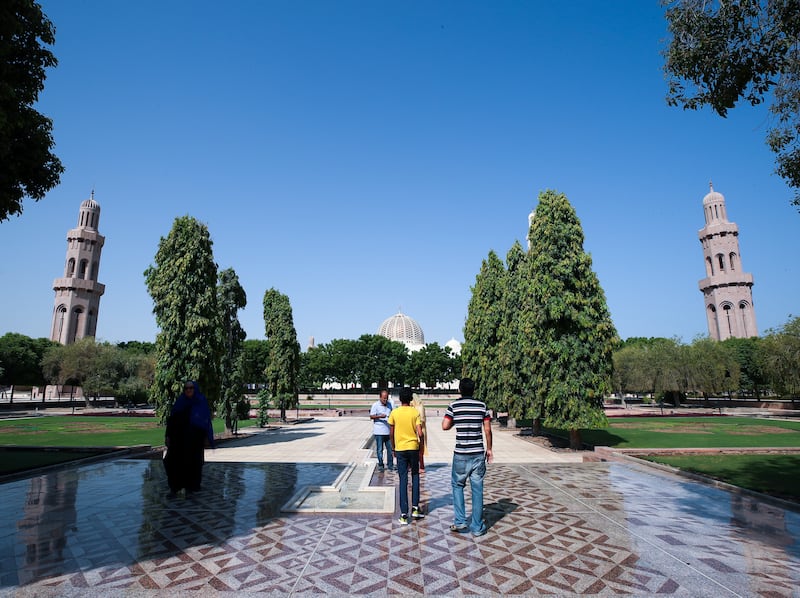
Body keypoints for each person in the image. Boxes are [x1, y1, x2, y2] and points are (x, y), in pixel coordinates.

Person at [442, 377, 492, 536]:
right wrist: (489, 449)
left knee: (458, 486)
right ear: (474, 390)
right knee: (477, 489)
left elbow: (445, 426)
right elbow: (488, 430)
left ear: (460, 390)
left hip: (461, 454)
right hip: (478, 453)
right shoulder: (482, 405)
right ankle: (477, 528)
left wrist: (456, 420)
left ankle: (460, 521)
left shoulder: (454, 405)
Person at [164, 380, 215, 495]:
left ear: (195, 389)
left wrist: (206, 437)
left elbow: (205, 421)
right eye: (186, 388)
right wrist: (168, 436)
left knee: (193, 463)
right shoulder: (180, 402)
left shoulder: (200, 401)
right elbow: (172, 420)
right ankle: (175, 487)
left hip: (194, 439)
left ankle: (192, 486)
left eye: (191, 388)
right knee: (171, 462)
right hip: (178, 439)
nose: (188, 390)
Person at [388, 387, 424, 525]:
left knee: (403, 479)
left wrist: (393, 447)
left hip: (401, 449)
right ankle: (415, 508)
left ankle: (404, 514)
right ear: (410, 399)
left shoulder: (394, 413)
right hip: (413, 448)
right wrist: (420, 447)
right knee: (415, 476)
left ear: (400, 399)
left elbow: (391, 432)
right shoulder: (414, 412)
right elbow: (419, 433)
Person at [369, 389, 394, 471]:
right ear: (380, 397)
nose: (385, 400)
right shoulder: (375, 405)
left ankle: (390, 465)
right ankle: (380, 464)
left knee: (390, 449)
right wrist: (379, 416)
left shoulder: (390, 405)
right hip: (379, 431)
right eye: (383, 398)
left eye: (386, 398)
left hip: (388, 430)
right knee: (380, 449)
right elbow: (371, 416)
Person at [410, 392, 428, 472]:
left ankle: (421, 466)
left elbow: (422, 419)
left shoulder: (420, 407)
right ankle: (412, 466)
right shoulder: (412, 407)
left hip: (420, 430)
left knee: (420, 449)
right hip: (413, 430)